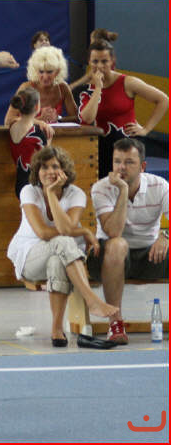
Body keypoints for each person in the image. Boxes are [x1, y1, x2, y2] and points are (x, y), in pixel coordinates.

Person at [6, 147, 119, 346]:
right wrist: (83, 231)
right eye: (44, 167)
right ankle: (92, 300)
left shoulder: (76, 194)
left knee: (57, 261)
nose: (49, 171)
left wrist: (52, 194)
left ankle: (57, 330)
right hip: (30, 257)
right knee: (64, 241)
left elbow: (66, 228)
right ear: (37, 172)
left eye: (55, 167)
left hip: (63, 256)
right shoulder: (29, 191)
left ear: (64, 171)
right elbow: (43, 233)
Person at [87, 138, 168, 344]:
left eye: (129, 162)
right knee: (117, 244)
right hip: (108, 259)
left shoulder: (160, 185)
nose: (121, 167)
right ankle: (115, 323)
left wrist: (165, 235)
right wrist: (123, 190)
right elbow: (114, 231)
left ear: (143, 166)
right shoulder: (101, 188)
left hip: (149, 255)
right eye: (117, 161)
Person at [78, 39, 169, 179]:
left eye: (104, 61)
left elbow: (163, 100)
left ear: (112, 61)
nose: (100, 66)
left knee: (128, 187)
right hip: (99, 148)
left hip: (128, 148)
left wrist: (146, 129)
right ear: (89, 62)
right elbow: (87, 118)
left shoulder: (127, 82)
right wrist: (98, 89)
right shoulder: (87, 88)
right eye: (95, 61)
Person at [4, 46, 78, 128]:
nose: (45, 77)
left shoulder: (63, 88)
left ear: (58, 71)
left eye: (49, 72)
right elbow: (8, 120)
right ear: (35, 71)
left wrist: (58, 118)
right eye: (41, 72)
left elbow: (76, 118)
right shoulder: (26, 88)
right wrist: (39, 120)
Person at [8, 87, 52, 198]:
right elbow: (46, 159)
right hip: (34, 184)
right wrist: (49, 140)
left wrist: (38, 122)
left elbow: (16, 119)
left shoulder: (12, 126)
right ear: (37, 107)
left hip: (20, 183)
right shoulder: (37, 134)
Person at [69, 28, 119, 93]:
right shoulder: (103, 58)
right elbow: (89, 75)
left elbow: (92, 77)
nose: (90, 43)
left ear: (97, 42)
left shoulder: (103, 63)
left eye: (91, 41)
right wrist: (73, 86)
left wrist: (73, 86)